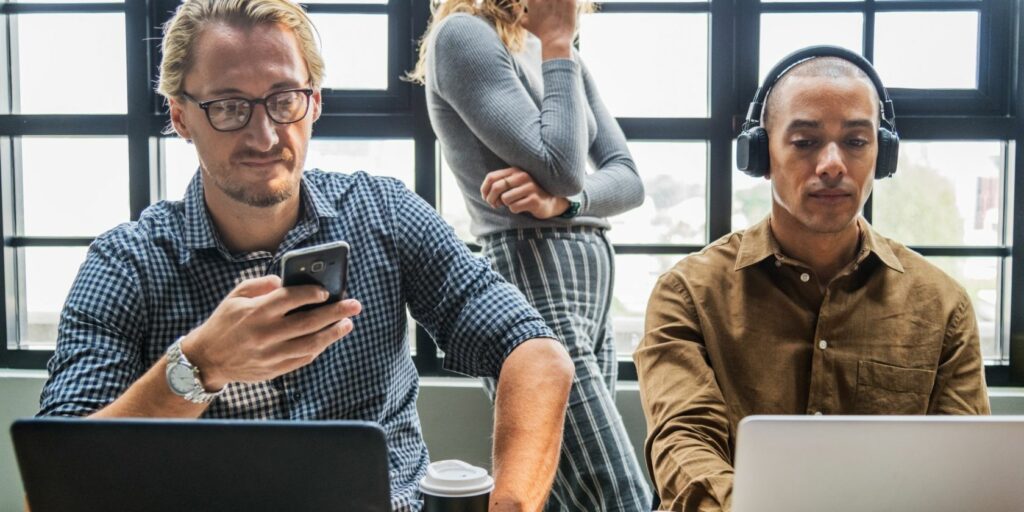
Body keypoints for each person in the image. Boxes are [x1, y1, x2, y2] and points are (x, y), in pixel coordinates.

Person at [36, 1, 575, 510]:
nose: (265, 134)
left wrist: (511, 502)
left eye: (284, 98)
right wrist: (199, 366)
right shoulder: (125, 265)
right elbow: (59, 481)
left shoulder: (382, 214)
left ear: (313, 102)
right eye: (228, 106)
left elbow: (535, 353)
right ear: (180, 117)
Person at [635, 46, 991, 512]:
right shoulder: (686, 294)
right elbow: (685, 445)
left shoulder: (943, 305)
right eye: (804, 142)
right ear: (760, 154)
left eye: (856, 142)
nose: (831, 164)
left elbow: (962, 471)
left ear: (882, 157)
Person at [411, 0, 652, 510]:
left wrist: (568, 204)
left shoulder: (554, 55)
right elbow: (563, 165)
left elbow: (628, 178)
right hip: (532, 266)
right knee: (619, 495)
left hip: (589, 278)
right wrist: (560, 44)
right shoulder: (464, 36)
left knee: (566, 499)